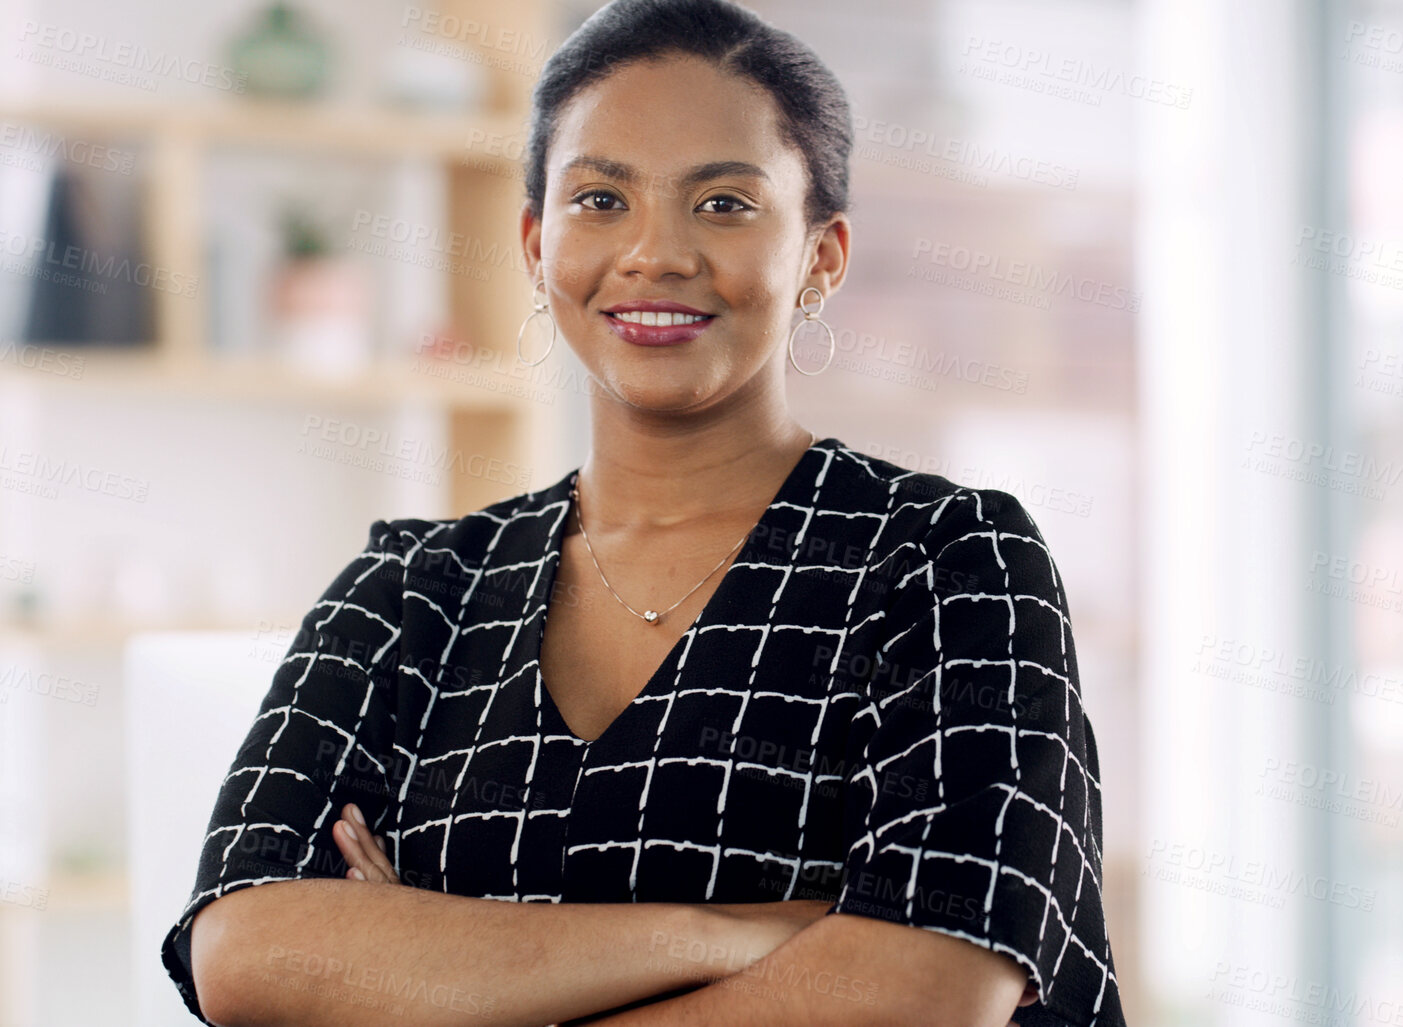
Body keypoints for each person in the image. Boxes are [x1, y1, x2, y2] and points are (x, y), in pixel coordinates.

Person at [159, 2, 1124, 1026]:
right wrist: (720, 933)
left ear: (823, 254)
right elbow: (246, 950)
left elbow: (924, 991)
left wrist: (428, 961)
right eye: (600, 199)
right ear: (536, 244)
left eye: (724, 204)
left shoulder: (947, 563)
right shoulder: (412, 593)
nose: (656, 253)